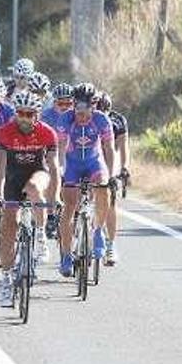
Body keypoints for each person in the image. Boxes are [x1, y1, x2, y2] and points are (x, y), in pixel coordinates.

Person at [0, 90, 59, 306]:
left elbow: (54, 168)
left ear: (37, 115)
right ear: (15, 113)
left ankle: (40, 235)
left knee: (33, 187)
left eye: (29, 114)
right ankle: (5, 279)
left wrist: (54, 200)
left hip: (37, 174)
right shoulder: (4, 132)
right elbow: (0, 168)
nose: (24, 118)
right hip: (12, 179)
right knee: (8, 228)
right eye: (20, 113)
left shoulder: (47, 133)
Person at [55, 83, 116, 277]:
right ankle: (65, 255)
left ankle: (98, 231)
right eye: (78, 109)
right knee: (69, 207)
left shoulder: (101, 120)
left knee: (103, 188)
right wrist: (62, 172)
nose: (82, 115)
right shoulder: (66, 119)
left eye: (87, 110)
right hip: (72, 165)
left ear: (94, 106)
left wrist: (112, 175)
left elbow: (108, 149)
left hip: (93, 163)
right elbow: (61, 148)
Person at [97, 92, 130, 266]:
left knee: (110, 201)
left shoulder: (118, 121)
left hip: (109, 161)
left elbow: (123, 148)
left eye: (105, 111)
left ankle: (110, 244)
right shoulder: (86, 118)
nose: (102, 114)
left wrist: (124, 168)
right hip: (89, 158)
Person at [41, 82, 75, 239]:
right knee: (51, 177)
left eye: (69, 103)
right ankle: (50, 216)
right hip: (51, 153)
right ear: (54, 102)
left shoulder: (77, 115)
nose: (65, 107)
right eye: (61, 103)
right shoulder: (46, 116)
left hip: (72, 154)